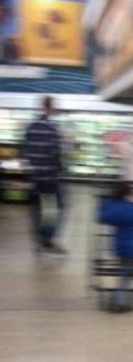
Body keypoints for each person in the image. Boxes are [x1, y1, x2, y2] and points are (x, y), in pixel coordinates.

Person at [99, 182, 133, 312]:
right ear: (129, 194)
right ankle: (119, 300)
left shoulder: (112, 208)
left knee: (126, 272)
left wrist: (105, 202)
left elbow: (101, 216)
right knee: (128, 274)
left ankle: (121, 297)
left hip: (118, 245)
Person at [21, 95, 65, 254]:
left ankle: (39, 240)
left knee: (38, 208)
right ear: (49, 107)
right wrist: (59, 166)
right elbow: (55, 154)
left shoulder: (30, 127)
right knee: (56, 208)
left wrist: (32, 167)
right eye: (54, 107)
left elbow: (24, 150)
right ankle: (47, 240)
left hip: (35, 176)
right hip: (49, 177)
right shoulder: (52, 129)